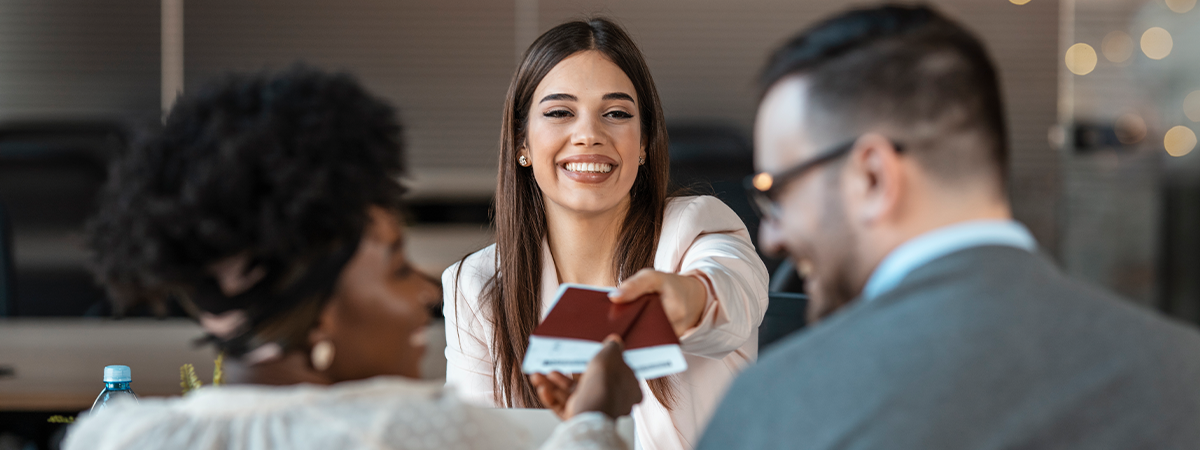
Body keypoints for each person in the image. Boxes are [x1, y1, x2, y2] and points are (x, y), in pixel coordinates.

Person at [699, 4, 1200, 449]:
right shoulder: (1182, 371)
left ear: (872, 176)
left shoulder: (780, 408)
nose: (772, 236)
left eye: (777, 192)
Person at [67, 66, 643, 450]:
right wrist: (595, 417)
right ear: (318, 318)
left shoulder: (110, 436)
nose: (424, 293)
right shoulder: (412, 432)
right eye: (396, 267)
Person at [443, 18, 769, 450]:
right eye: (560, 112)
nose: (588, 136)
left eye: (615, 114)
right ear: (522, 143)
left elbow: (734, 296)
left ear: (644, 143)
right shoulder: (476, 284)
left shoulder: (696, 228)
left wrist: (688, 300)